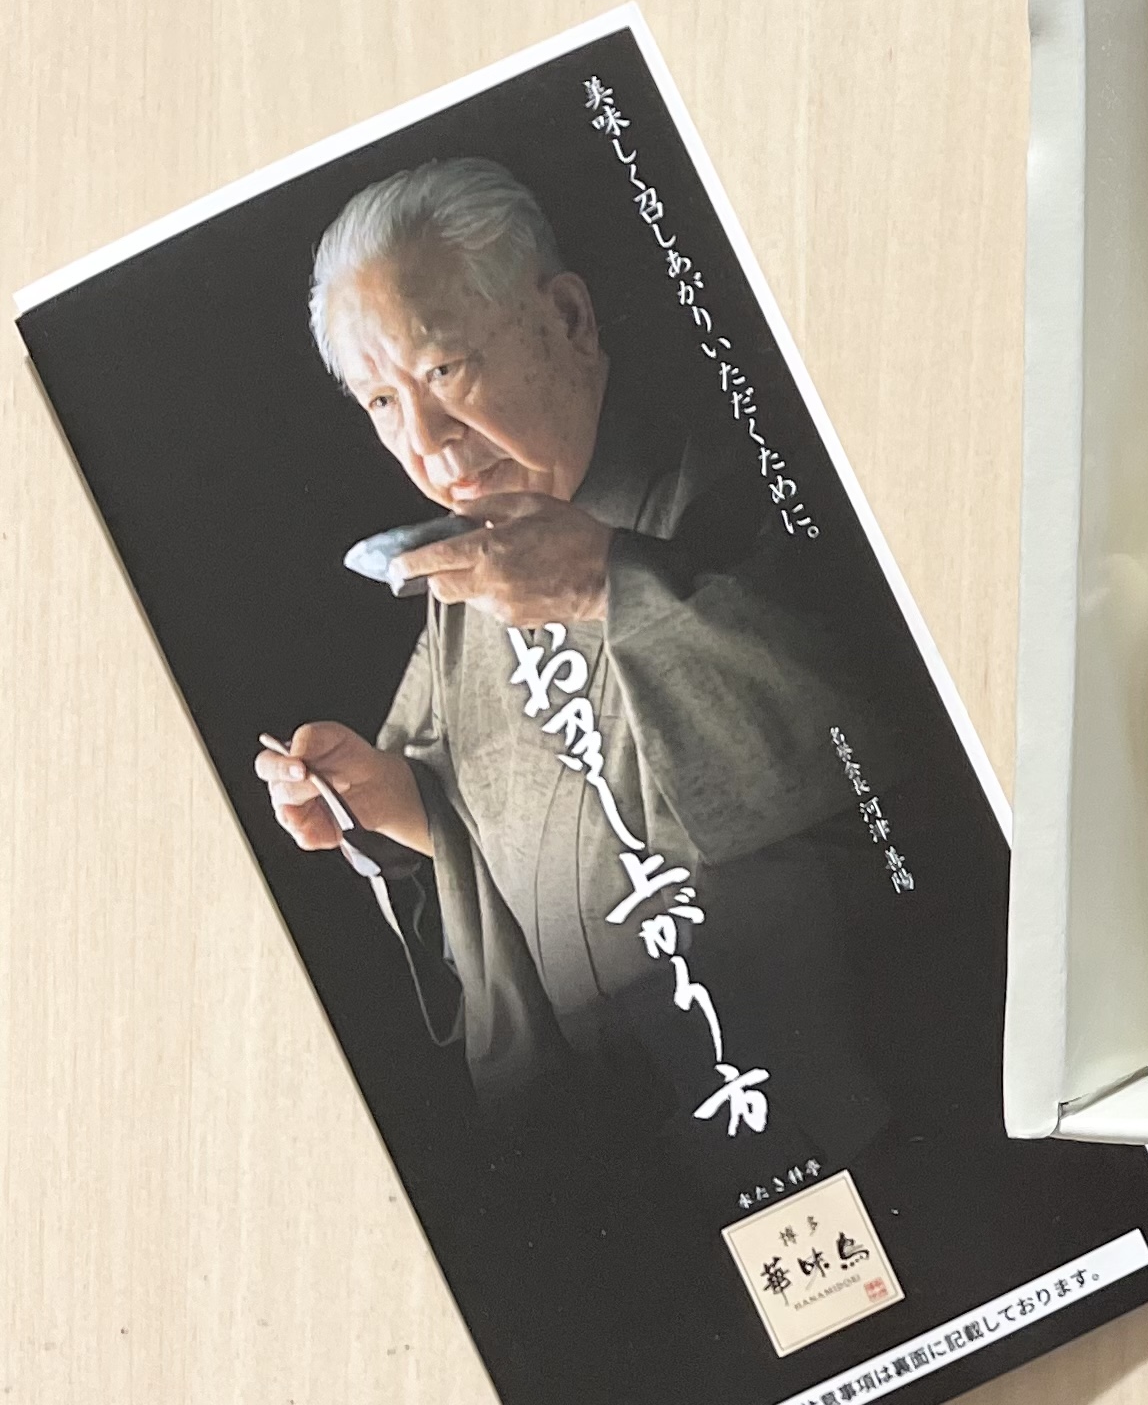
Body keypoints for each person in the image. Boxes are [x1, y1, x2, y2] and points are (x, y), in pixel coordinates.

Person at [252, 156, 898, 1211]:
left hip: (831, 1047)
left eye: (445, 369)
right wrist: (391, 803)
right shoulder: (461, 580)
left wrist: (610, 583)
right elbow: (483, 817)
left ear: (567, 319)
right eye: (383, 401)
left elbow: (867, 732)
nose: (427, 444)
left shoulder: (738, 473)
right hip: (623, 1119)